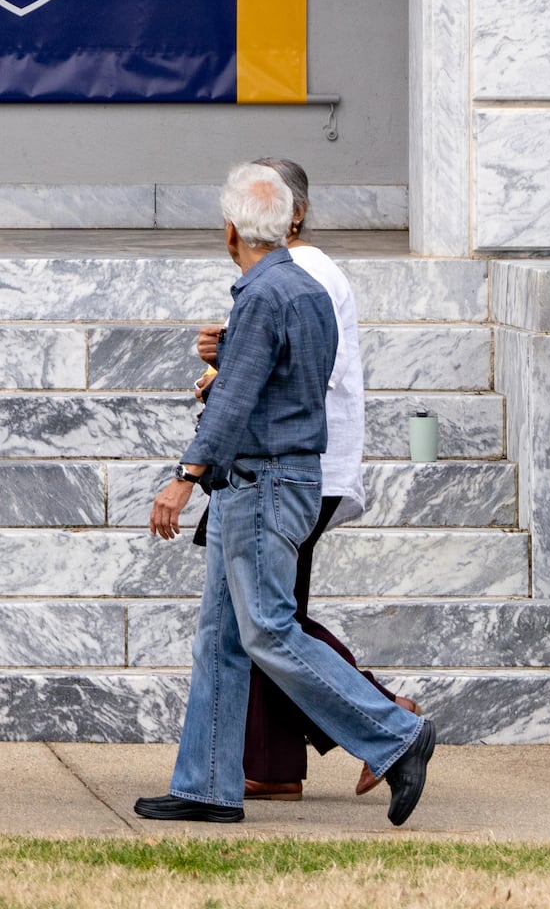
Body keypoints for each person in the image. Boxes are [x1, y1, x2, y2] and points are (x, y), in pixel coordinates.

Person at [136, 163, 438, 827]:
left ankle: (395, 735)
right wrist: (232, 352)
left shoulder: (265, 296)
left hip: (262, 484)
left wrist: (184, 477)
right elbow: (279, 386)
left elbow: (239, 400)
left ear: (232, 230)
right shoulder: (299, 290)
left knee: (268, 629)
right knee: (221, 637)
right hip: (281, 477)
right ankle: (207, 786)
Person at [205, 157, 393, 802]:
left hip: (294, 465)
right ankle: (275, 765)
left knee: (269, 616)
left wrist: (221, 374)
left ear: (295, 212)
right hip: (298, 462)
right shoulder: (296, 272)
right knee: (263, 613)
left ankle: (389, 716)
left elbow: (303, 375)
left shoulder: (298, 273)